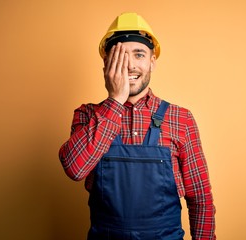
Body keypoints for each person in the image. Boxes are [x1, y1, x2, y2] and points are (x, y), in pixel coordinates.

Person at [59, 12, 216, 240]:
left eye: (139, 54)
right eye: (119, 56)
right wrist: (115, 101)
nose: (130, 65)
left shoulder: (181, 119)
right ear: (106, 63)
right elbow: (75, 169)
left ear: (152, 61)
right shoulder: (87, 115)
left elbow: (200, 197)